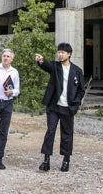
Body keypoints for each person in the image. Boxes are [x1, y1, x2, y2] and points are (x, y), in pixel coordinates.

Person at [35, 42, 86, 172]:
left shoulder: (77, 71)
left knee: (67, 134)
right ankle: (46, 161)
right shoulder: (55, 66)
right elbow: (46, 65)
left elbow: (81, 89)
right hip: (54, 106)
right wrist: (41, 61)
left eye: (62, 52)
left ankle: (66, 160)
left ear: (69, 54)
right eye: (59, 52)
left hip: (68, 108)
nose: (60, 54)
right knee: (50, 131)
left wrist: (76, 103)